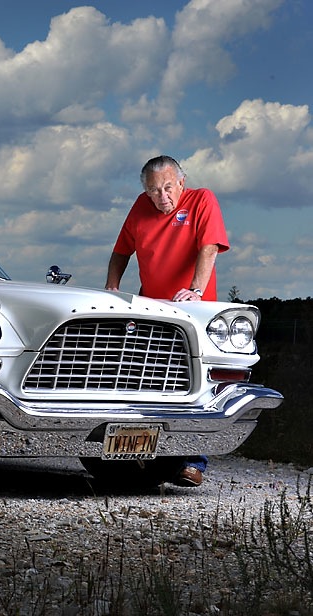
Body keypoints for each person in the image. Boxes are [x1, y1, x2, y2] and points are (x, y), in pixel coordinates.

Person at [105, 155, 229, 487]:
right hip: (153, 310)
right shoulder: (140, 208)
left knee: (195, 383)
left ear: (181, 183)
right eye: (154, 190)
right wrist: (112, 287)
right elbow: (121, 251)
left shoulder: (201, 199)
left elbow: (209, 247)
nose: (162, 196)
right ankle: (145, 456)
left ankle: (193, 461)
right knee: (150, 382)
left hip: (194, 310)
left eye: (167, 187)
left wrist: (196, 290)